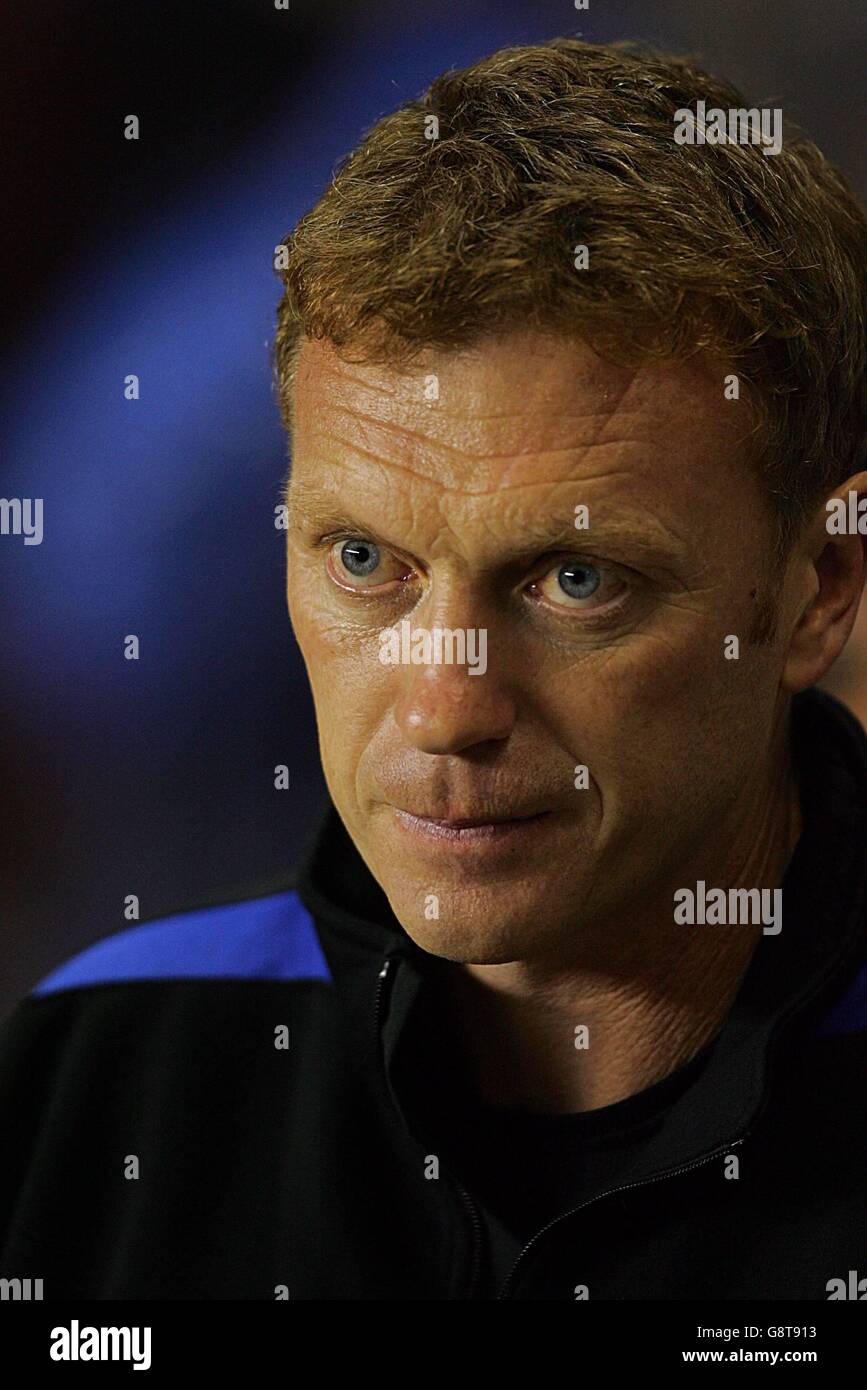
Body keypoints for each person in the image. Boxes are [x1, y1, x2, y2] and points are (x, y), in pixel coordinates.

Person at [1, 37, 865, 1300]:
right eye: (364, 559)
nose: (445, 706)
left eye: (576, 580)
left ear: (821, 591)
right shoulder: (100, 1067)